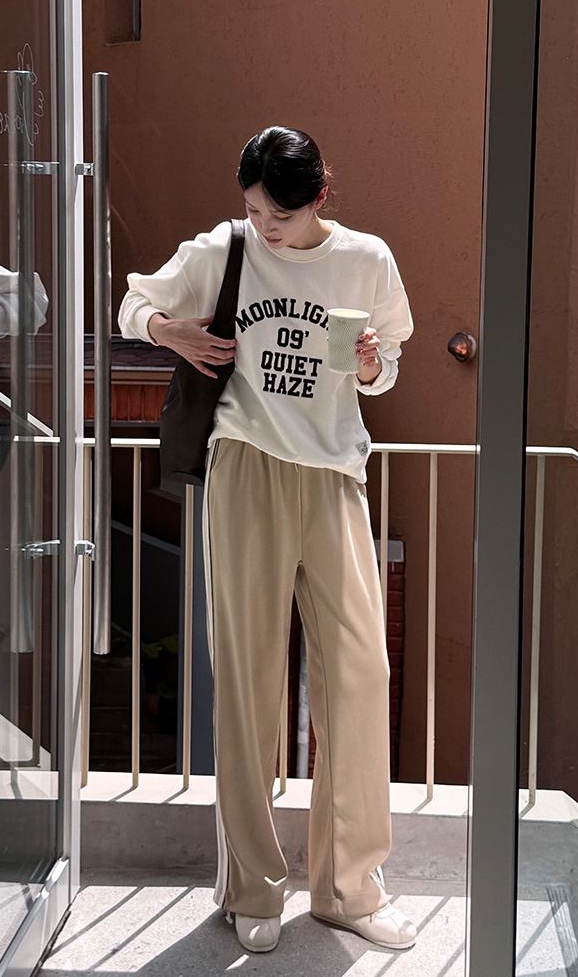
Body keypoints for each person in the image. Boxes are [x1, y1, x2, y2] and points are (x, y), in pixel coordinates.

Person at [118, 126, 416, 954]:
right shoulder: (225, 248)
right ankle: (252, 888)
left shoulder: (367, 260)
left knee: (360, 674)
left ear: (320, 196)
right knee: (248, 680)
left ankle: (350, 889)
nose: (266, 228)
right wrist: (170, 332)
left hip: (333, 475)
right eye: (253, 210)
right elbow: (133, 303)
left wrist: (369, 365)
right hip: (246, 466)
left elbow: (387, 363)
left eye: (279, 214)